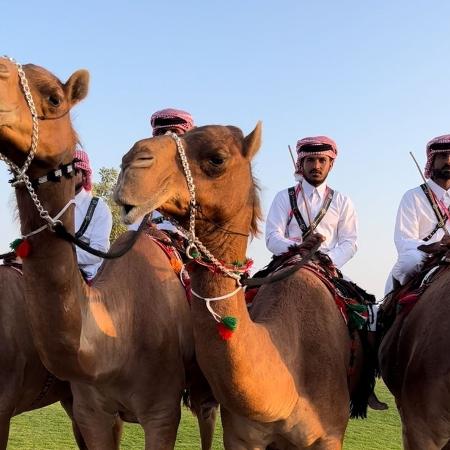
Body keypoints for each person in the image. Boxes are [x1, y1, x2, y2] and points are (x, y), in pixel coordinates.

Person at [265, 135, 358, 269]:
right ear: (301, 163)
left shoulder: (342, 201)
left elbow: (350, 242)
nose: (316, 166)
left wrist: (325, 260)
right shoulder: (283, 197)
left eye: (322, 160)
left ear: (330, 164)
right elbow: (272, 237)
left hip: (327, 265)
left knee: (354, 291)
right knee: (253, 289)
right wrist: (298, 248)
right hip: (288, 262)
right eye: (310, 160)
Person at [385, 134, 450, 293]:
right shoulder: (413, 196)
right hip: (424, 257)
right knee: (409, 262)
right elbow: (403, 240)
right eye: (442, 156)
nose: (448, 161)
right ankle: (396, 305)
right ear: (432, 161)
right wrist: (434, 246)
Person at [128, 108, 195, 233]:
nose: (167, 137)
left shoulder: (200, 173)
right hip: (150, 237)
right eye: (162, 132)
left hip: (189, 240)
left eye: (175, 132)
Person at [74, 148, 113, 281]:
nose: (67, 177)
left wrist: (65, 256)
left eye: (74, 171)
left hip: (88, 278)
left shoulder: (98, 208)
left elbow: (98, 252)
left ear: (84, 175)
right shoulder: (54, 207)